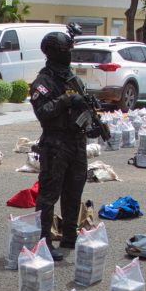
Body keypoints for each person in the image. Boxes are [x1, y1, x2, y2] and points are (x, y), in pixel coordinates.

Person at [29, 29, 93, 261]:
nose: (69, 55)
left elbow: (84, 105)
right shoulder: (43, 81)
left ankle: (69, 235)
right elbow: (43, 112)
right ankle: (43, 241)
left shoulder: (71, 77)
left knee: (73, 192)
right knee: (48, 196)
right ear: (55, 53)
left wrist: (90, 116)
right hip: (56, 145)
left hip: (76, 142)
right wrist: (66, 100)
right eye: (66, 51)